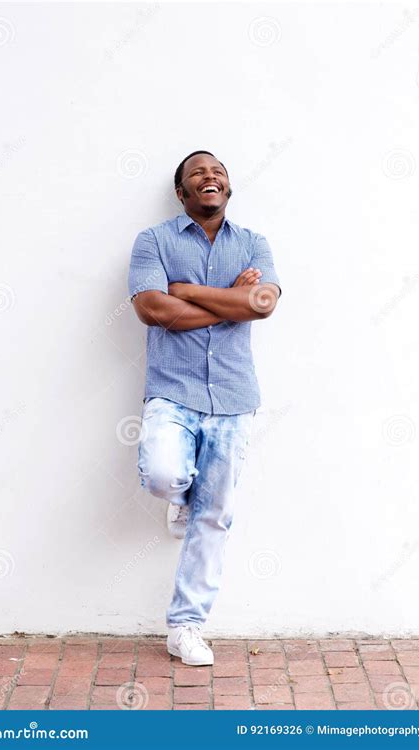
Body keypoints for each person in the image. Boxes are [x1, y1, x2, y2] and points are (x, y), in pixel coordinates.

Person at [128, 150, 281, 666]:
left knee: (214, 517)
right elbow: (151, 308)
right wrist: (228, 302)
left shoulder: (254, 243)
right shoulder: (154, 241)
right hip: (172, 390)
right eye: (197, 173)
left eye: (217, 171)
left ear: (228, 187)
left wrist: (189, 293)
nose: (209, 177)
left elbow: (262, 304)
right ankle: (180, 498)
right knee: (162, 476)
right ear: (182, 191)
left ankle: (186, 626)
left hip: (235, 398)